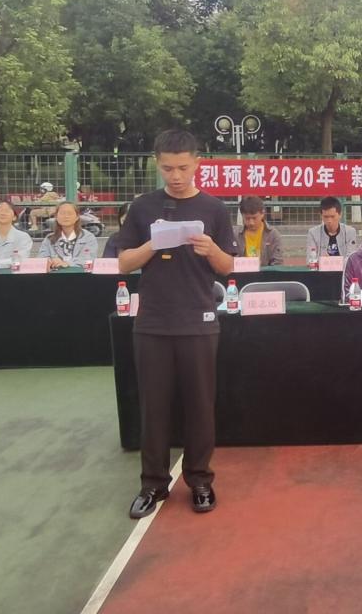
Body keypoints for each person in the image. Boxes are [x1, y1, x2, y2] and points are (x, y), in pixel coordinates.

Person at [115, 130, 237, 519]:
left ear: (197, 163)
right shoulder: (143, 207)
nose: (176, 175)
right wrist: (154, 243)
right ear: (158, 164)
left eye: (183, 167)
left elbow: (228, 266)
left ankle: (200, 480)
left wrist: (211, 249)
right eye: (168, 168)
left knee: (200, 405)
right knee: (154, 407)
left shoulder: (214, 208)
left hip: (199, 319)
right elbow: (124, 262)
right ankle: (152, 483)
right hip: (152, 321)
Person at [37, 202, 99, 269]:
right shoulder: (49, 239)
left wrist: (67, 263)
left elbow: (89, 261)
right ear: (56, 217)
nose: (66, 216)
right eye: (62, 213)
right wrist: (50, 262)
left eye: (70, 213)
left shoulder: (88, 237)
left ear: (77, 217)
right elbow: (41, 259)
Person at [237, 196, 283, 266]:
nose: (251, 223)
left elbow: (277, 263)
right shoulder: (235, 235)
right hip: (242, 272)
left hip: (266, 272)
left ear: (262, 214)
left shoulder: (273, 235)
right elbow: (231, 260)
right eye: (247, 218)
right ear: (242, 215)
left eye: (254, 218)